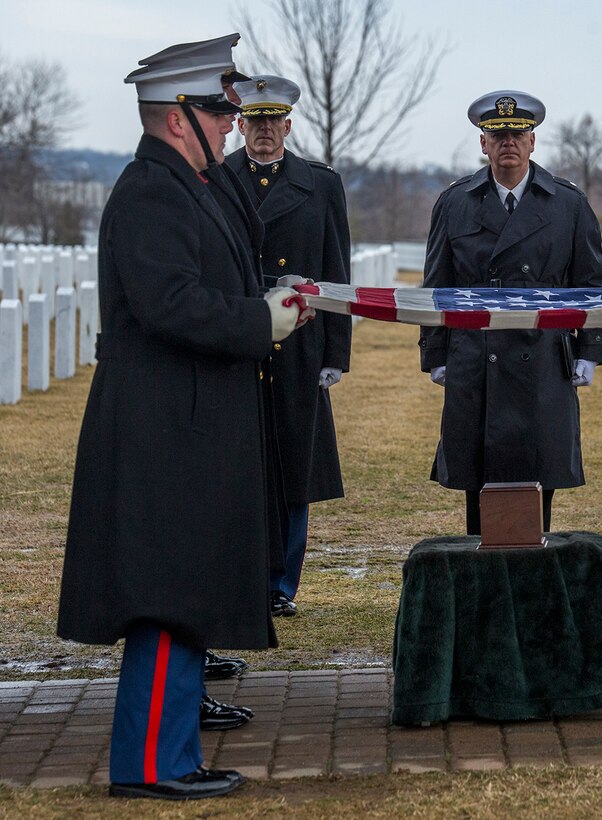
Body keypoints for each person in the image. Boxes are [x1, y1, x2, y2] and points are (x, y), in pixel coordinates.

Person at [56, 36, 310, 800]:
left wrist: (270, 298)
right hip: (165, 429)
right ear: (178, 119)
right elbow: (169, 305)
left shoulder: (189, 184)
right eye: (219, 112)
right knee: (167, 597)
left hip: (189, 424)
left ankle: (170, 755)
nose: (233, 125)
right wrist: (259, 320)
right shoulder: (151, 191)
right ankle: (149, 766)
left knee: (187, 589)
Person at [419, 91, 602, 534]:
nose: (508, 141)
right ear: (483, 143)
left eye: (517, 133)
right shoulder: (455, 202)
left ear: (533, 141)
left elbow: (591, 285)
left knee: (537, 473)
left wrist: (590, 350)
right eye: (498, 133)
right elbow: (436, 284)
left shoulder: (568, 203)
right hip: (474, 356)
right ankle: (480, 576)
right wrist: (436, 352)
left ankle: (531, 575)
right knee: (478, 481)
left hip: (542, 357)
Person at [225, 75, 352, 618]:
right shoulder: (218, 178)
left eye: (273, 122)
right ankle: (240, 578)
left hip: (299, 342)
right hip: (241, 334)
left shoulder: (319, 184)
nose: (264, 132)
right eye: (255, 122)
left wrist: (335, 353)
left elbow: (335, 268)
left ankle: (282, 584)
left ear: (288, 125)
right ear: (242, 127)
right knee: (238, 467)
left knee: (294, 466)